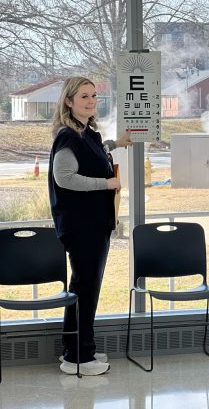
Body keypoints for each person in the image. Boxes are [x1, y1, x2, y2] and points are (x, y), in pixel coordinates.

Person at [49, 76, 132, 376]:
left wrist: (115, 144)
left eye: (94, 96)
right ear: (68, 101)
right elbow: (65, 177)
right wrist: (107, 183)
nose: (91, 100)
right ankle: (80, 357)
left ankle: (76, 350)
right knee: (86, 288)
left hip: (93, 224)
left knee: (83, 288)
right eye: (83, 96)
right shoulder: (67, 137)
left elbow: (90, 156)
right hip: (82, 226)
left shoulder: (86, 133)